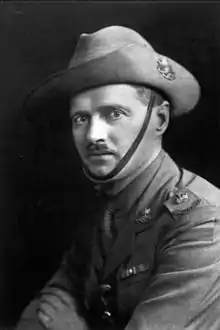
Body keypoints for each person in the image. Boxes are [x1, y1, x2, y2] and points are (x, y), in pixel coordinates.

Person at [16, 25, 220, 330]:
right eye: (81, 118)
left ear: (160, 119)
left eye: (114, 114)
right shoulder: (105, 208)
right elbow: (49, 303)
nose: (93, 135)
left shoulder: (204, 223)